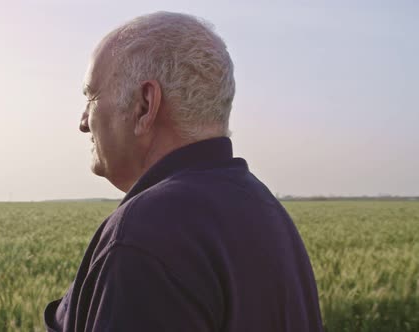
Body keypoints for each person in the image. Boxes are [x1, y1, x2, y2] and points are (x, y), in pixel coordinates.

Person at [45, 11, 324, 332]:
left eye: (91, 97)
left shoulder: (146, 230)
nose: (83, 122)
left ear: (144, 105)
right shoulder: (266, 209)